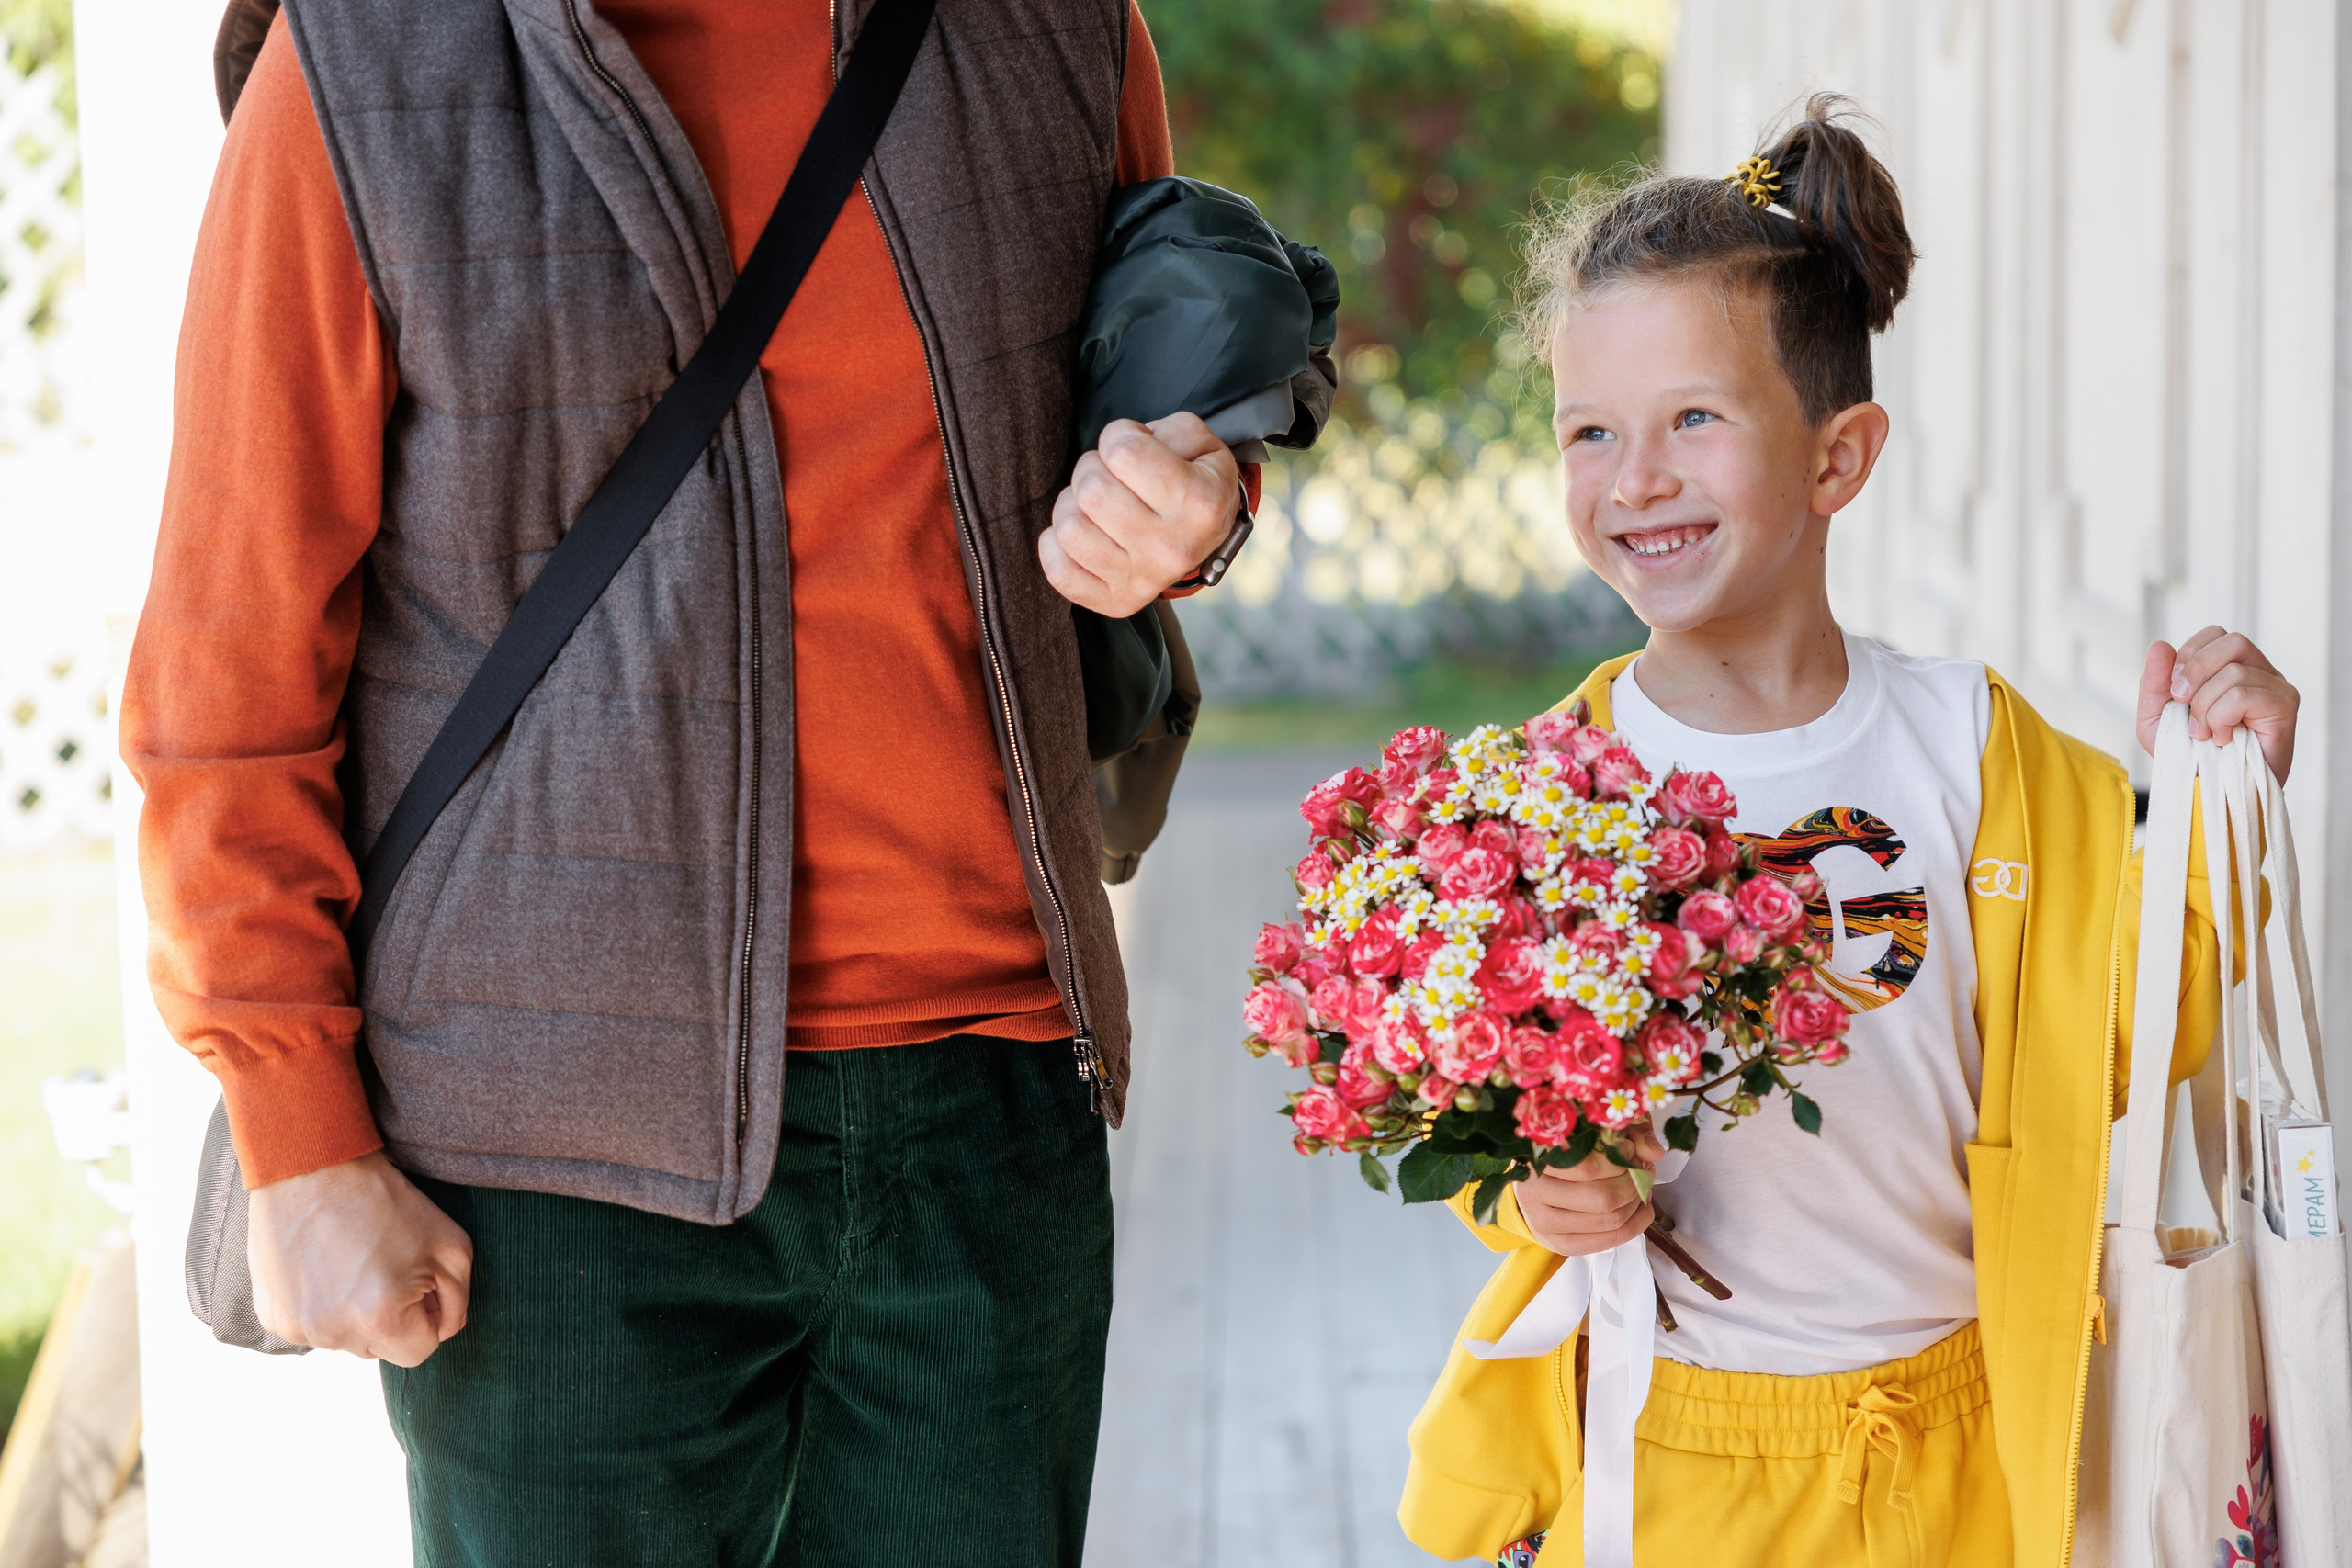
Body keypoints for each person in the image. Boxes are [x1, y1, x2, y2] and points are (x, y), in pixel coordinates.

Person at [120, 2, 1247, 1562]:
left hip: (992, 1108)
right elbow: (225, 672)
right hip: (545, 1165)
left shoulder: (1053, 27)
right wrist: (296, 1130)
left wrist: (1197, 507)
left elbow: (1154, 381)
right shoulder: (373, 63)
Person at [1396, 96, 2299, 1567]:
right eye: (1589, 432)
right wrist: (1537, 1193)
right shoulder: (1553, 789)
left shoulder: (1975, 748)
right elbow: (1492, 1109)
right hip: (1673, 1438)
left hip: (1972, 1428)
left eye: (1694, 417)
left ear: (1837, 457)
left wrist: (2230, 810)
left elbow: (2125, 1028)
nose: (1635, 478)